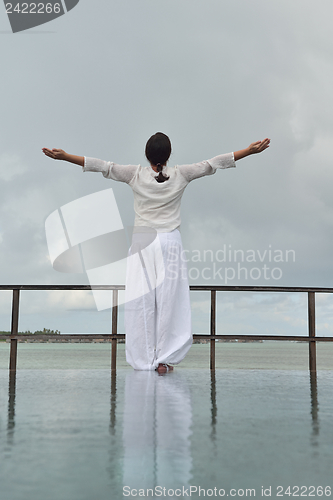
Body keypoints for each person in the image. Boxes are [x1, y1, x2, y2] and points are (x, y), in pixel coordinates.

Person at [42, 133, 270, 374]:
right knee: (171, 301)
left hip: (143, 242)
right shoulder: (181, 173)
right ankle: (164, 359)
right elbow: (214, 163)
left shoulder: (135, 174)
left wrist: (65, 157)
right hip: (170, 241)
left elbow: (103, 166)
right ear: (168, 155)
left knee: (141, 302)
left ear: (146, 154)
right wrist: (248, 151)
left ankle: (143, 360)